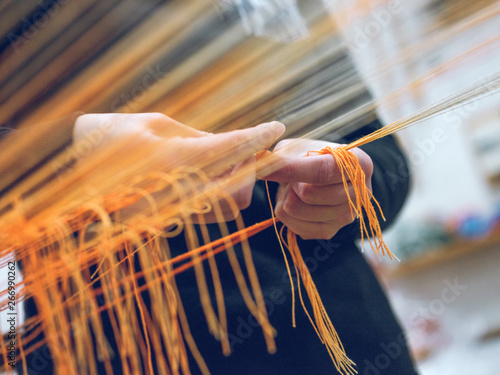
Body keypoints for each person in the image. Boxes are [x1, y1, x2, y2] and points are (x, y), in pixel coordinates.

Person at [4, 111, 418, 374]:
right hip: (113, 347)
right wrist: (73, 152)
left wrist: (348, 177)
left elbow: (384, 161)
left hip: (347, 344)